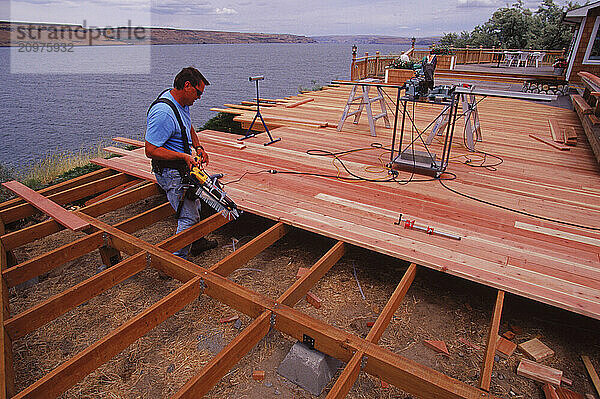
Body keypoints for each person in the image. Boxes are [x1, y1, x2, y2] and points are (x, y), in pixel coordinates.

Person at [145, 67, 217, 259]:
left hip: (182, 167)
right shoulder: (163, 113)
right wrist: (183, 156)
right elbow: (150, 150)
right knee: (188, 216)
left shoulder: (181, 103)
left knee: (196, 201)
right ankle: (175, 261)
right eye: (198, 92)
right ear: (187, 86)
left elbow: (187, 124)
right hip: (170, 172)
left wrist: (198, 147)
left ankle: (197, 242)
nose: (199, 98)